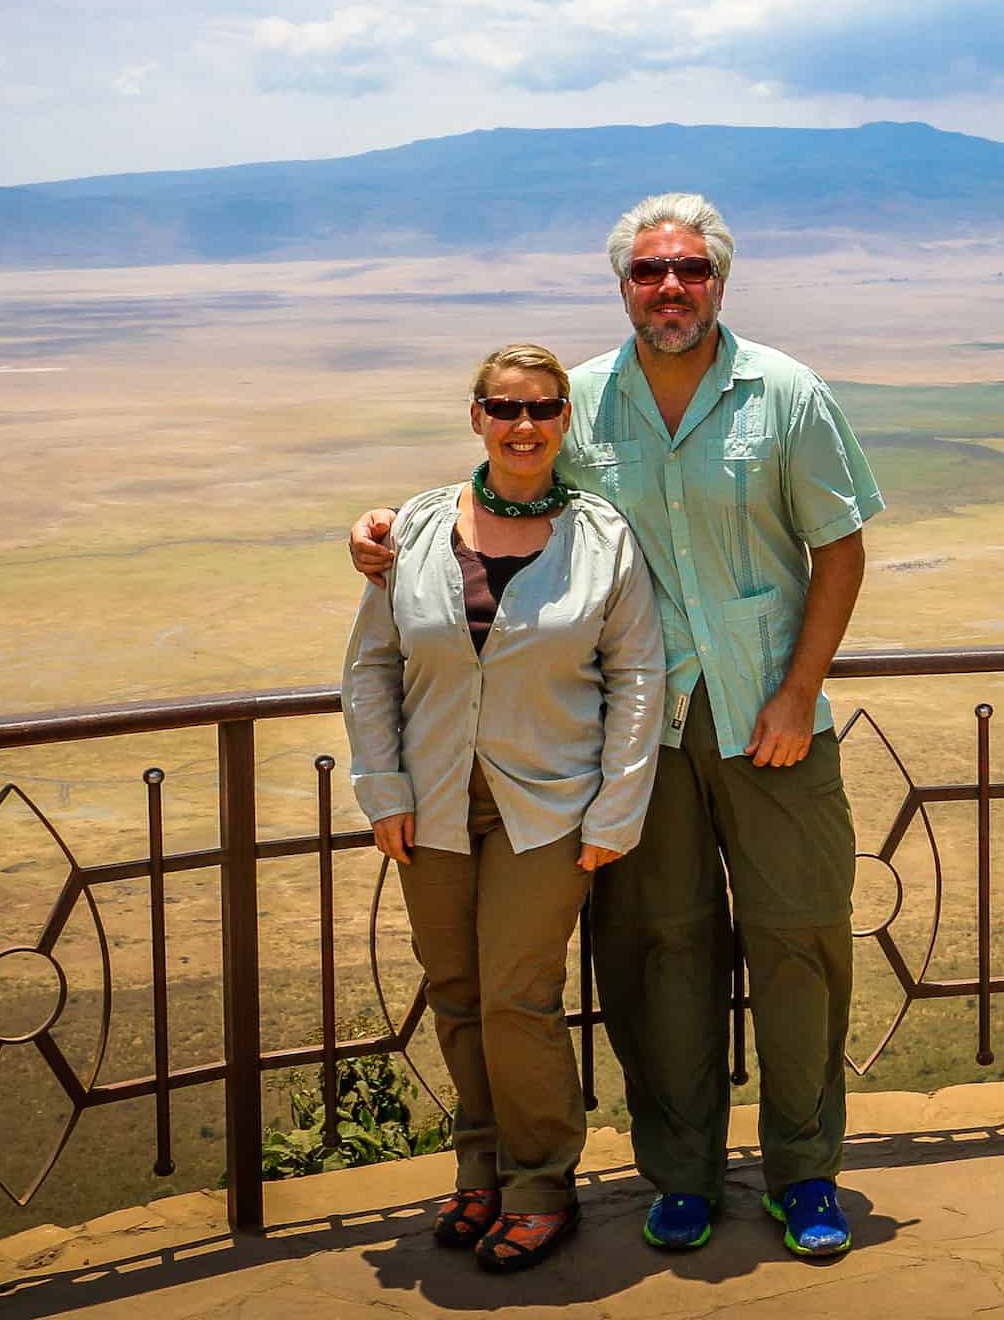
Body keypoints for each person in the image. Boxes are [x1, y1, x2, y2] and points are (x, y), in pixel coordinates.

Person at [348, 191, 881, 1262]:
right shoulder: (581, 400)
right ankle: (679, 1174)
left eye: (689, 269)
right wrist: (383, 529)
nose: (670, 287)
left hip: (770, 723)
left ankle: (805, 1171)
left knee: (799, 942)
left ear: (720, 279)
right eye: (649, 271)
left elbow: (840, 547)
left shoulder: (786, 392)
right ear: (624, 284)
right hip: (639, 739)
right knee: (656, 951)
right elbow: (512, 485)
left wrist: (796, 690)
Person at [341, 342, 665, 1275]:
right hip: (432, 799)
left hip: (550, 805)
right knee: (454, 991)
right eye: (505, 407)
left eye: (544, 409)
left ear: (566, 420)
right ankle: (478, 1171)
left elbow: (636, 674)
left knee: (517, 995)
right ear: (476, 416)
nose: (525, 426)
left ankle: (539, 1183)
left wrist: (616, 809)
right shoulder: (413, 527)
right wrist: (383, 786)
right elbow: (372, 664)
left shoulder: (602, 536)